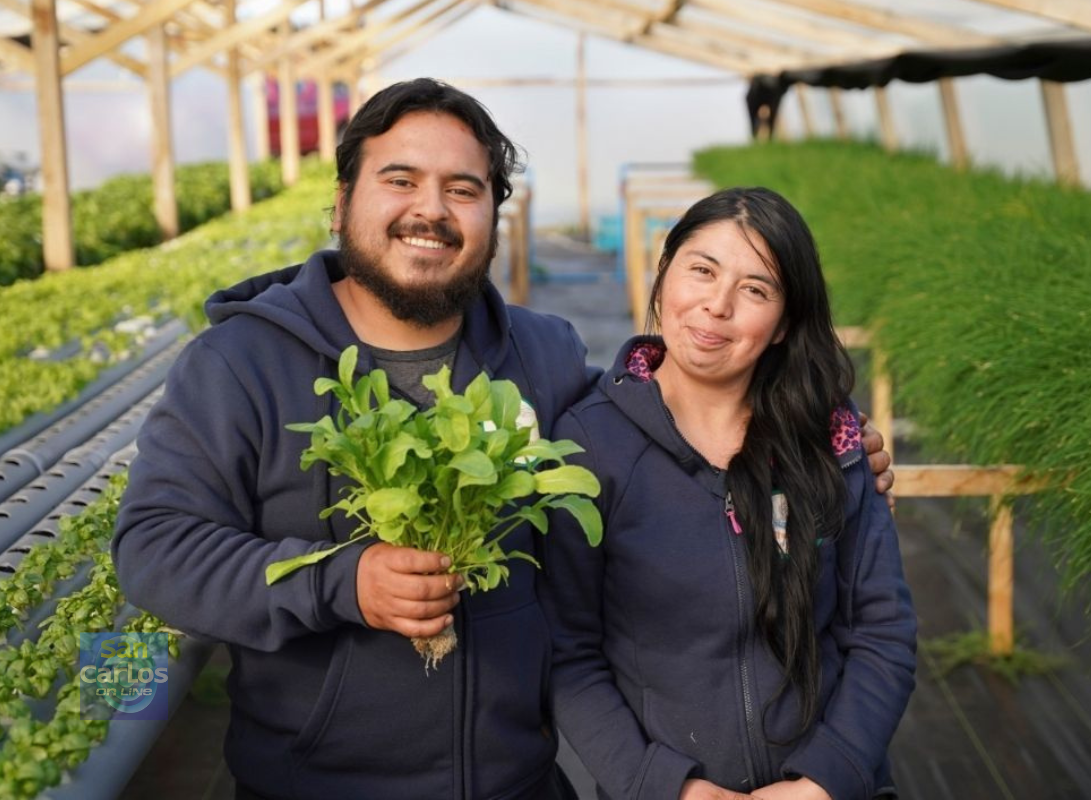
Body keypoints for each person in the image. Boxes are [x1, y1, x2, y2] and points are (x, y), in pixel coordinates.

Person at [113, 78, 896, 799]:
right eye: (400, 180)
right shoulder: (240, 364)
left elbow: (661, 428)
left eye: (464, 189)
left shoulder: (544, 356)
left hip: (517, 783)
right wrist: (341, 583)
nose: (431, 209)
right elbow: (154, 549)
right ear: (342, 199)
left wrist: (819, 442)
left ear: (495, 214)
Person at [544, 187, 917, 800]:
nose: (716, 306)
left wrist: (825, 779)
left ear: (782, 326)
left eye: (755, 290)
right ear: (663, 278)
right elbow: (569, 653)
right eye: (702, 271)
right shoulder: (591, 444)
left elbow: (881, 630)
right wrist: (666, 787)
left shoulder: (829, 435)